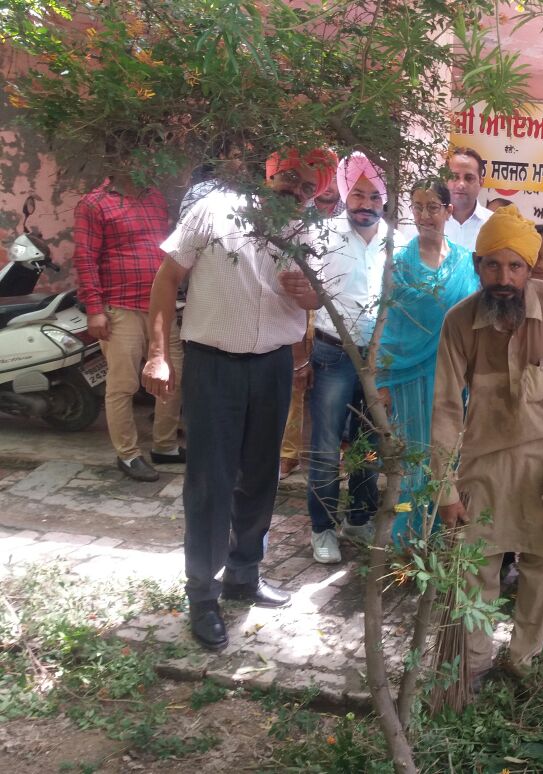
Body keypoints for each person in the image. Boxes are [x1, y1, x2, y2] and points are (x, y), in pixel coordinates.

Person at [142, 147, 333, 651]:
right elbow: (167, 279)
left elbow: (317, 297)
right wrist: (158, 354)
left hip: (272, 366)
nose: (297, 191)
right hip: (214, 365)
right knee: (210, 483)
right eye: (291, 178)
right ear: (270, 174)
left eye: (308, 187)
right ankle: (202, 594)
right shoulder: (215, 209)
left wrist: (311, 296)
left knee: (260, 477)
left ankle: (244, 575)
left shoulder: (307, 231)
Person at [431, 206, 543, 682]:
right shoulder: (458, 321)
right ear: (477, 266)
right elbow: (445, 408)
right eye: (492, 265)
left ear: (530, 266)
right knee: (474, 567)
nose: (504, 278)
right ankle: (473, 666)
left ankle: (522, 662)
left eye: (515, 266)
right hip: (483, 464)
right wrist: (445, 489)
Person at [377, 180, 478, 544]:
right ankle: (407, 541)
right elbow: (388, 322)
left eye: (433, 207)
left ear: (449, 211)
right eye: (418, 207)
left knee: (450, 454)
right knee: (415, 460)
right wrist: (382, 381)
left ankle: (440, 540)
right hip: (410, 376)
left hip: (456, 374)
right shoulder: (401, 263)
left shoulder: (466, 262)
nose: (424, 216)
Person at [73, 166, 185, 483]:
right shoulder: (93, 203)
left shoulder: (155, 197)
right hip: (119, 307)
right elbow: (85, 258)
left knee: (173, 375)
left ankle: (164, 446)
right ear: (118, 159)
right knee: (123, 385)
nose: (145, 162)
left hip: (160, 307)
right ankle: (128, 454)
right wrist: (94, 310)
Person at [306, 152, 388, 564]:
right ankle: (322, 528)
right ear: (344, 194)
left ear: (384, 200)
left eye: (374, 196)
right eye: (358, 194)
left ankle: (358, 517)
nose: (365, 204)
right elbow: (302, 293)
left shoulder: (395, 240)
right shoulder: (322, 235)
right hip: (333, 354)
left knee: (369, 443)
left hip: (377, 361)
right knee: (325, 446)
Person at [281, 150, 341, 481]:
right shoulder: (296, 211)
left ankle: (329, 454)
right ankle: (287, 454)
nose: (326, 186)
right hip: (297, 308)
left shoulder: (350, 217)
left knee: (326, 388)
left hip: (334, 314)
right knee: (295, 378)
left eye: (331, 178)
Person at [444, 147, 493, 251]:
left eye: (469, 178)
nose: (461, 184)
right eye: (454, 177)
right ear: (445, 181)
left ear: (480, 183)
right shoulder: (426, 222)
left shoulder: (494, 224)